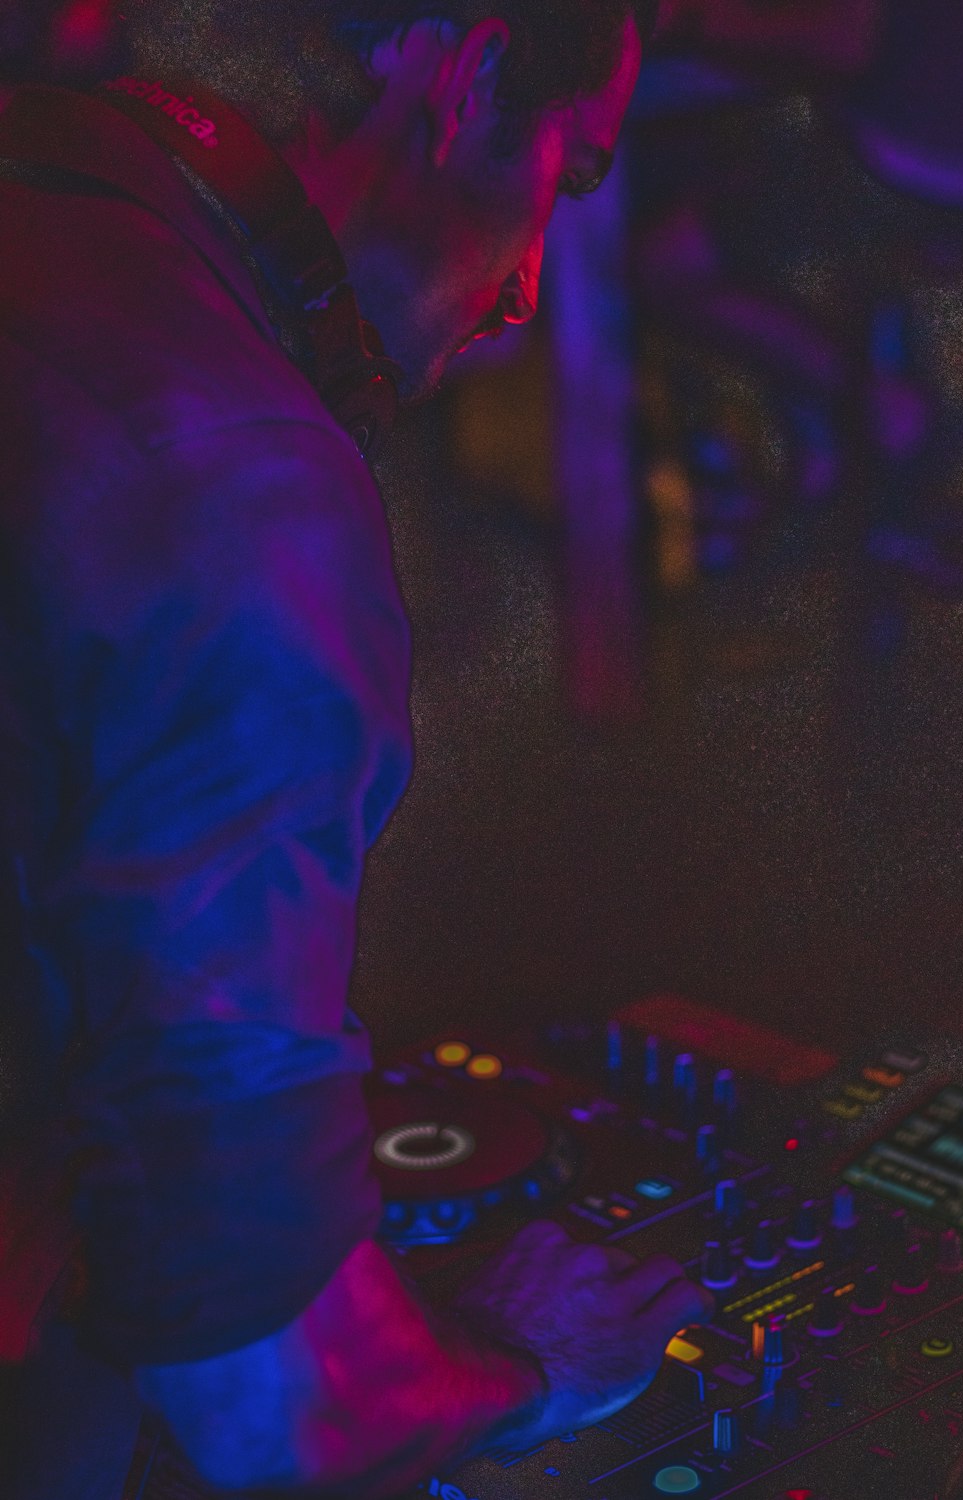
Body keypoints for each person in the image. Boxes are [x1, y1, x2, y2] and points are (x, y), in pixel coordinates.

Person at [0, 2, 713, 1496]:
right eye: (560, 178)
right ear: (462, 75)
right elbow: (283, 1424)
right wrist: (530, 1365)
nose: (521, 296)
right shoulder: (228, 492)